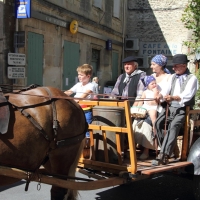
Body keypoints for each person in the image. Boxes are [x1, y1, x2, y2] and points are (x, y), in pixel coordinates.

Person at [153, 54, 198, 165]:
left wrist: (173, 97)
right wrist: (161, 95)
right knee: (157, 123)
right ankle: (168, 150)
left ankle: (164, 155)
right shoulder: (173, 77)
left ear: (183, 66)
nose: (173, 69)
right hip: (170, 107)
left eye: (175, 66)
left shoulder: (192, 78)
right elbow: (166, 90)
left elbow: (187, 95)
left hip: (182, 108)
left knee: (173, 127)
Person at [133, 54, 170, 160]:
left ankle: (147, 150)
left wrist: (157, 97)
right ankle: (137, 146)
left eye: (153, 64)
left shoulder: (168, 77)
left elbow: (162, 96)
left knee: (146, 124)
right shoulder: (151, 77)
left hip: (160, 107)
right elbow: (142, 95)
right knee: (135, 123)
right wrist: (136, 107)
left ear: (161, 65)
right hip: (146, 107)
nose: (151, 67)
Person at [64, 64, 94, 139]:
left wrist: (73, 100)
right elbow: (69, 92)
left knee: (86, 128)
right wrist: (59, 94)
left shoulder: (91, 85)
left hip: (86, 111)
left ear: (88, 76)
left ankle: (87, 145)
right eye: (78, 74)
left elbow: (82, 97)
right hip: (76, 109)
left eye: (81, 75)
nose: (79, 76)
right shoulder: (78, 84)